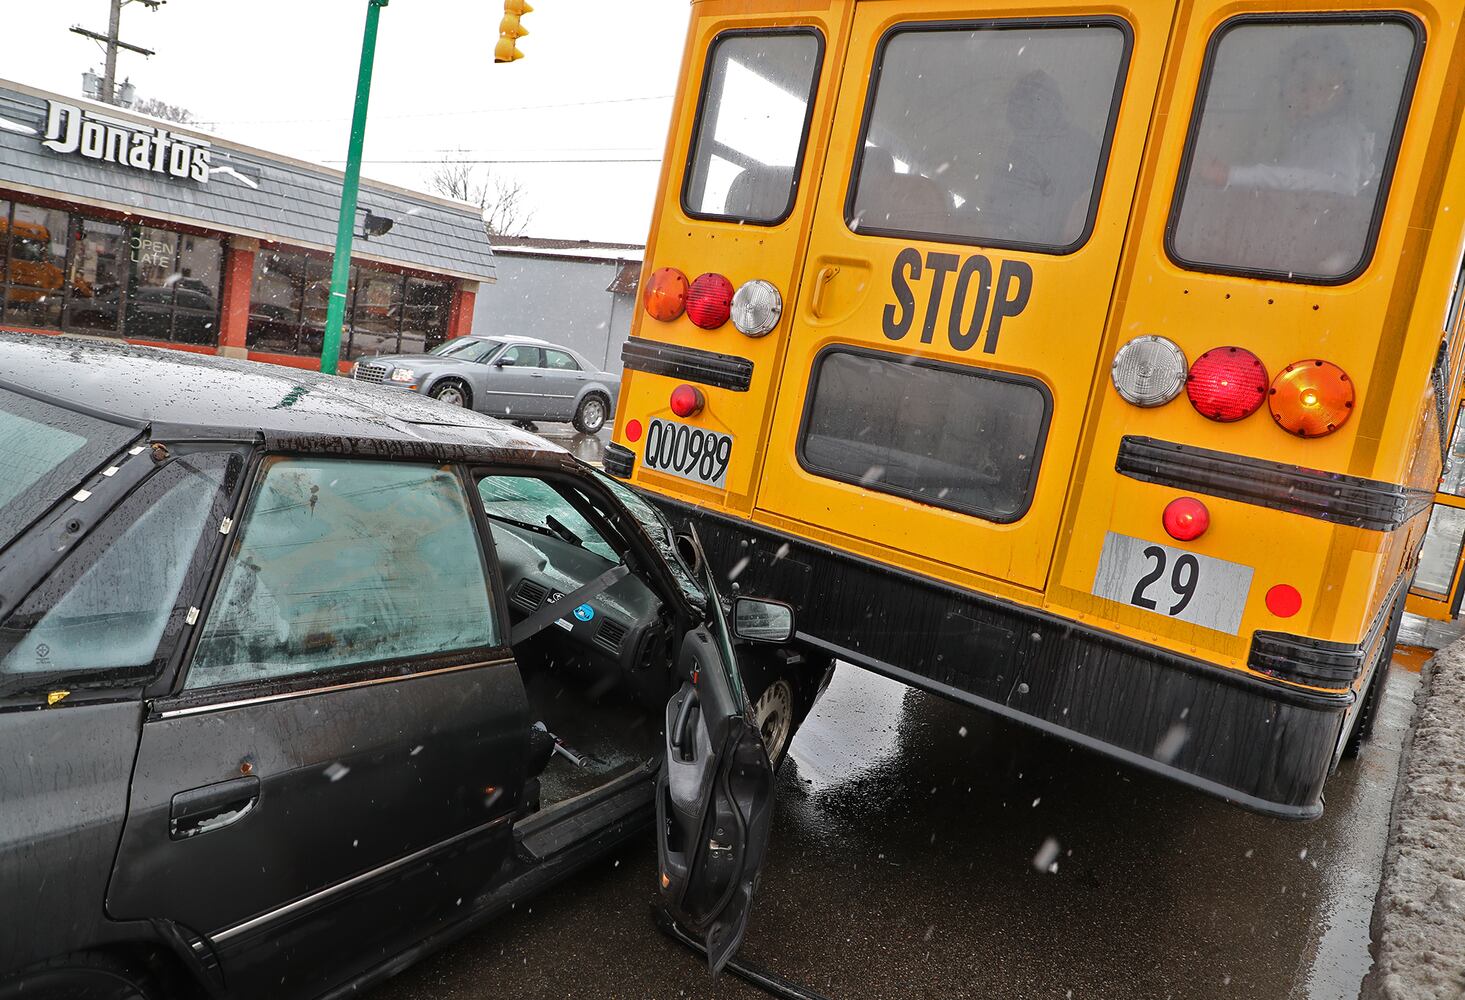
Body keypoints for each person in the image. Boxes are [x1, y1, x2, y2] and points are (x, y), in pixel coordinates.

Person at [1195, 32, 1374, 197]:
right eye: (1291, 83)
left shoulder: (1341, 135)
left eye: (1305, 83)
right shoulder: (1307, 132)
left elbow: (1338, 185)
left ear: (1337, 87)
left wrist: (1232, 175)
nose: (1292, 94)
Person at [981, 69, 1099, 246]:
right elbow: (997, 204)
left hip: (1050, 253)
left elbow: (1061, 213)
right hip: (1014, 249)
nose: (1020, 113)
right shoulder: (1018, 149)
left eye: (1028, 105)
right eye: (1017, 105)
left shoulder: (1080, 150)